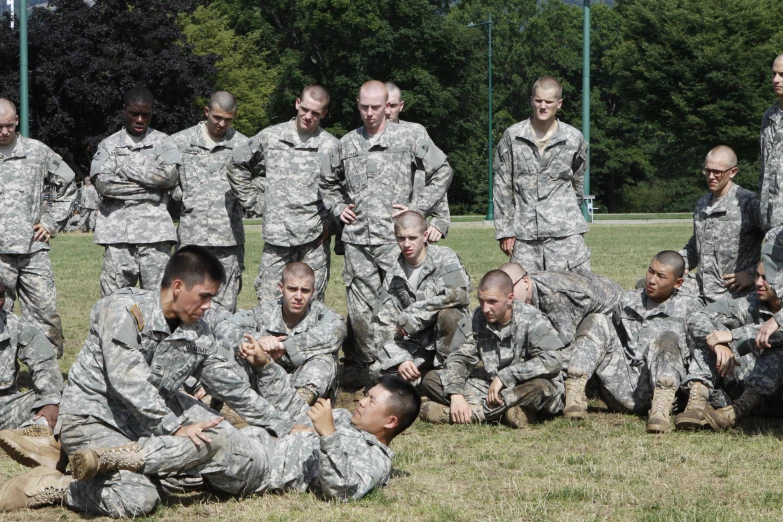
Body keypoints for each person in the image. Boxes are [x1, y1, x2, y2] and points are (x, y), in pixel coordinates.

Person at [0, 246, 298, 517]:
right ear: (178, 287)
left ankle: (70, 453)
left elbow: (232, 388)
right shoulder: (124, 311)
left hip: (149, 423)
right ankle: (57, 486)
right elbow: (129, 380)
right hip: (95, 418)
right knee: (138, 498)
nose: (209, 306)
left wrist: (283, 425)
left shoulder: (199, 333)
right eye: (205, 296)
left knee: (231, 447)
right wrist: (176, 429)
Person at [320, 80, 452, 387]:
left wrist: (415, 209)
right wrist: (338, 207)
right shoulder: (346, 143)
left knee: (404, 311)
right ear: (357, 105)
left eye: (376, 107)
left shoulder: (408, 137)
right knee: (364, 318)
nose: (370, 113)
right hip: (357, 246)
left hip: (397, 243)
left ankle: (407, 371)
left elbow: (443, 169)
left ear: (386, 106)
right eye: (364, 107)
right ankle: (381, 373)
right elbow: (326, 182)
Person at [562, 251, 714, 433]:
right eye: (651, 271)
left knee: (668, 337)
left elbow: (707, 338)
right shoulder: (627, 301)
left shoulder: (690, 307)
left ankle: (659, 412)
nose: (651, 280)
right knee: (597, 320)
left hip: (661, 390)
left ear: (678, 283)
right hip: (621, 383)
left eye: (661, 276)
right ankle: (575, 396)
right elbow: (610, 341)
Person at [229, 85, 337, 303]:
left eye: (315, 113)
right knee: (269, 300)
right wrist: (254, 202)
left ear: (324, 114)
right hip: (276, 239)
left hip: (313, 240)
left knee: (311, 302)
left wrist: (332, 223)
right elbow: (235, 164)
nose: (308, 116)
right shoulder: (270, 137)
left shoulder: (332, 146)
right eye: (305, 109)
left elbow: (342, 188)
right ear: (297, 103)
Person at [418, 270, 565, 428]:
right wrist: (456, 394)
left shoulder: (533, 319)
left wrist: (506, 376)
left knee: (539, 388)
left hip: (526, 386)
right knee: (432, 379)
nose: (485, 308)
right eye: (481, 301)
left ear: (510, 298)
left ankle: (473, 415)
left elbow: (553, 361)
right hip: (490, 388)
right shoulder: (476, 318)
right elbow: (460, 358)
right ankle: (510, 414)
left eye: (492, 302)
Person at [0, 98, 75, 358]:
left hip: (33, 252)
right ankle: (4, 379)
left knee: (44, 315)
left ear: (17, 121)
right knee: (0, 317)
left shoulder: (38, 152)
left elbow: (68, 183)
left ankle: (47, 380)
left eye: (8, 125)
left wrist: (50, 223)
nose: (4, 131)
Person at [90, 86, 182, 296]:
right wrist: (150, 191)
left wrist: (126, 169)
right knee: (116, 302)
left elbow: (169, 177)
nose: (140, 119)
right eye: (135, 113)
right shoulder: (108, 145)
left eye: (145, 114)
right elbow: (103, 184)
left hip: (155, 237)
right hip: (117, 238)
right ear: (124, 111)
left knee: (160, 301)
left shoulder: (164, 143)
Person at [213, 262, 346, 406]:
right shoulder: (265, 312)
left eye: (305, 291)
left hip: (305, 387)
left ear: (313, 292)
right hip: (266, 383)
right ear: (281, 288)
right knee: (229, 351)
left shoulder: (321, 314)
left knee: (324, 357)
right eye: (292, 289)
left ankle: (298, 404)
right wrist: (258, 340)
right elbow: (225, 327)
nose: (299, 296)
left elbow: (338, 331)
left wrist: (285, 346)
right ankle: (213, 401)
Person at [493, 77, 590, 273]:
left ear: (559, 104)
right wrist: (505, 230)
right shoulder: (513, 136)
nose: (543, 106)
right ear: (531, 100)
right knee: (524, 294)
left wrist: (566, 212)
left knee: (574, 292)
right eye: (538, 101)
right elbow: (502, 185)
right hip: (525, 237)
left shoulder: (573, 138)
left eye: (549, 102)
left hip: (566, 234)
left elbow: (578, 180)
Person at [371, 211, 469, 384]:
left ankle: (450, 372)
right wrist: (401, 359)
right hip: (417, 343)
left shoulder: (444, 257)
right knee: (378, 372)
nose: (407, 244)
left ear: (425, 236)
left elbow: (459, 294)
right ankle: (426, 377)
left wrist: (415, 314)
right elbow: (382, 323)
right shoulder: (392, 273)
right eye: (401, 238)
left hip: (448, 337)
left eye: (412, 238)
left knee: (449, 314)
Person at [171, 91, 248, 312]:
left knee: (226, 304)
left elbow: (260, 179)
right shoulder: (181, 141)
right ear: (207, 112)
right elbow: (166, 179)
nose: (222, 123)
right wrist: (184, 197)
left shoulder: (243, 145)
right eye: (217, 117)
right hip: (192, 236)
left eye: (228, 119)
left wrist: (244, 199)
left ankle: (222, 347)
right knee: (188, 303)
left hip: (229, 239)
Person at [675, 260, 773, 430]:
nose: (758, 283)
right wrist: (719, 345)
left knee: (777, 350)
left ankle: (736, 411)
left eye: (766, 278)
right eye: (756, 276)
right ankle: (698, 400)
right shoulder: (752, 302)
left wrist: (733, 335)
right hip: (747, 384)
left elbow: (776, 332)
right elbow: (698, 316)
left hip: (775, 392)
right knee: (710, 335)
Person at [678, 145, 762, 303]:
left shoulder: (748, 203)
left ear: (733, 172)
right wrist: (677, 263)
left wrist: (752, 274)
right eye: (707, 170)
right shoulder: (702, 203)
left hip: (735, 297)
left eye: (717, 172)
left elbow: (777, 240)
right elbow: (697, 245)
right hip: (701, 292)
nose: (710, 176)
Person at [0, 280, 65, 471]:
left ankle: (30, 435)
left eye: (1, 295)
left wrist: (51, 399)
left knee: (68, 397)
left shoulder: (15, 325)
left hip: (5, 407)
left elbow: (45, 363)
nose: (0, 303)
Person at [499, 262, 623, 354]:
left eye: (509, 289)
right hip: (595, 293)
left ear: (525, 282)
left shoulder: (555, 297)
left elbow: (561, 342)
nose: (506, 297)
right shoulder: (529, 284)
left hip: (616, 314)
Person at [385, 82, 451, 242]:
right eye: (383, 105)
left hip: (410, 231)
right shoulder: (357, 140)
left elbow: (438, 173)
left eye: (392, 105)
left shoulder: (415, 133)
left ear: (401, 106)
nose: (387, 111)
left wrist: (440, 221)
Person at [755, 54, 783, 349]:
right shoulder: (769, 116)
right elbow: (765, 168)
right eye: (774, 74)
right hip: (770, 219)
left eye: (782, 75)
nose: (776, 80)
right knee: (771, 292)